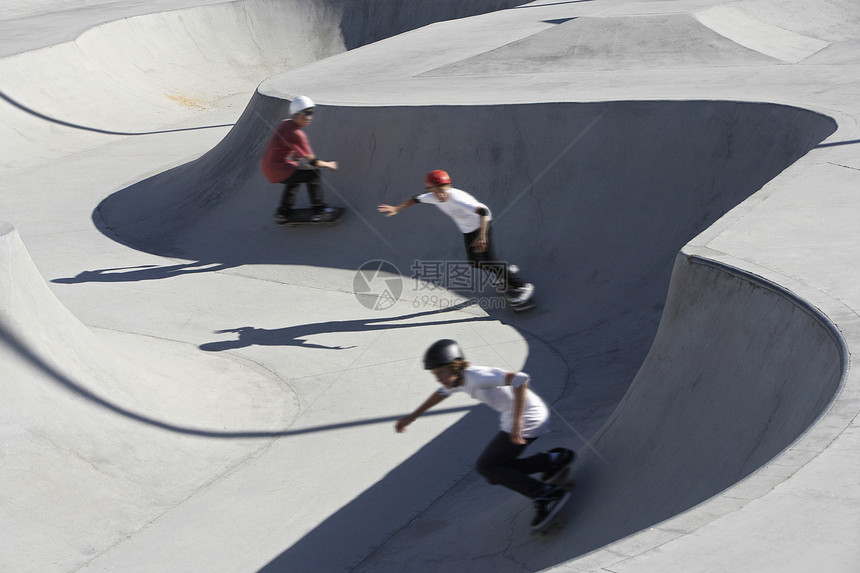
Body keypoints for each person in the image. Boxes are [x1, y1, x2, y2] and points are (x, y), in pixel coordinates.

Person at [395, 339, 575, 526]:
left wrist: (517, 421)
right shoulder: (456, 380)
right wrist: (412, 416)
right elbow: (440, 393)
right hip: (516, 418)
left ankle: (545, 494)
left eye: (440, 372)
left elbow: (520, 380)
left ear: (455, 365)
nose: (438, 378)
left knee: (488, 467)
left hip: (528, 417)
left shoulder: (478, 376)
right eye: (434, 374)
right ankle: (554, 460)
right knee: (495, 471)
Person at [378, 170, 533, 307]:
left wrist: (482, 235)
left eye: (443, 190)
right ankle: (504, 272)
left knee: (489, 261)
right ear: (430, 191)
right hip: (468, 230)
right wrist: (397, 208)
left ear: (448, 187)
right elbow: (416, 199)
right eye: (436, 191)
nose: (441, 194)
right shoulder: (431, 197)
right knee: (475, 262)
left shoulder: (458, 198)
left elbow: (484, 212)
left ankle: (522, 286)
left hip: (482, 225)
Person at [260, 95, 338, 224]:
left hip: (268, 167)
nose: (308, 117)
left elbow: (284, 144)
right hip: (278, 169)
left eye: (310, 113)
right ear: (295, 115)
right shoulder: (297, 134)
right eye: (305, 114)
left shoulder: (285, 123)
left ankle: (282, 213)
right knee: (313, 173)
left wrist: (296, 155)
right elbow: (312, 161)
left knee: (295, 176)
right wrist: (329, 164)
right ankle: (320, 212)